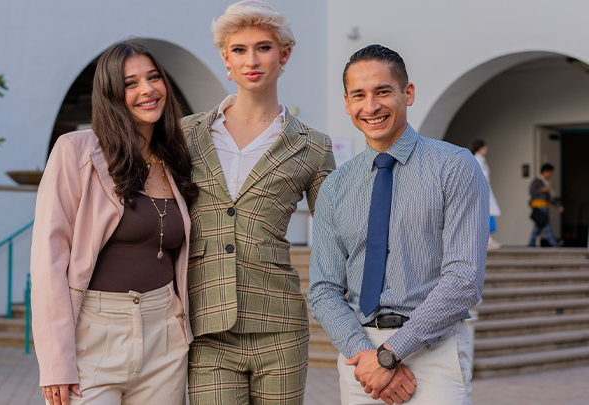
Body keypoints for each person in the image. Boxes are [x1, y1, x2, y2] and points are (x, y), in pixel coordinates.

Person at [308, 45, 489, 405]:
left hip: (433, 349)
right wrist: (365, 355)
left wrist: (391, 353)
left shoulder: (455, 167)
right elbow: (323, 289)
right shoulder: (335, 186)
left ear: (408, 93)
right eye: (359, 95)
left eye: (383, 91)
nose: (371, 106)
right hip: (360, 358)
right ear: (347, 103)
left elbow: (464, 279)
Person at [180, 1, 335, 403]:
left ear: (284, 55)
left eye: (263, 48)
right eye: (239, 50)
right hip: (206, 325)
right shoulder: (187, 135)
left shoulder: (313, 146)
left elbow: (336, 237)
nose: (252, 60)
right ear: (225, 58)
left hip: (280, 323)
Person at [30, 41, 198, 405]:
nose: (147, 90)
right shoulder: (76, 151)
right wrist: (55, 362)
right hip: (94, 334)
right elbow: (48, 261)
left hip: (165, 335)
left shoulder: (176, 158)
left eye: (154, 78)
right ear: (110, 94)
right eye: (130, 83)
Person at [472, 140, 501, 249]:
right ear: (481, 148)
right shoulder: (477, 159)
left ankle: (489, 239)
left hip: (486, 190)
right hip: (482, 191)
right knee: (486, 215)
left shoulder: (481, 159)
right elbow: (478, 175)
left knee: (489, 214)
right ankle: (487, 240)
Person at [528, 163, 564, 247]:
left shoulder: (547, 182)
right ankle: (554, 243)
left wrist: (558, 206)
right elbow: (531, 191)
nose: (550, 175)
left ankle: (531, 243)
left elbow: (551, 197)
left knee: (539, 226)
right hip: (539, 206)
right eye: (549, 172)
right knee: (546, 225)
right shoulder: (538, 181)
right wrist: (541, 189)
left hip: (545, 205)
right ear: (545, 171)